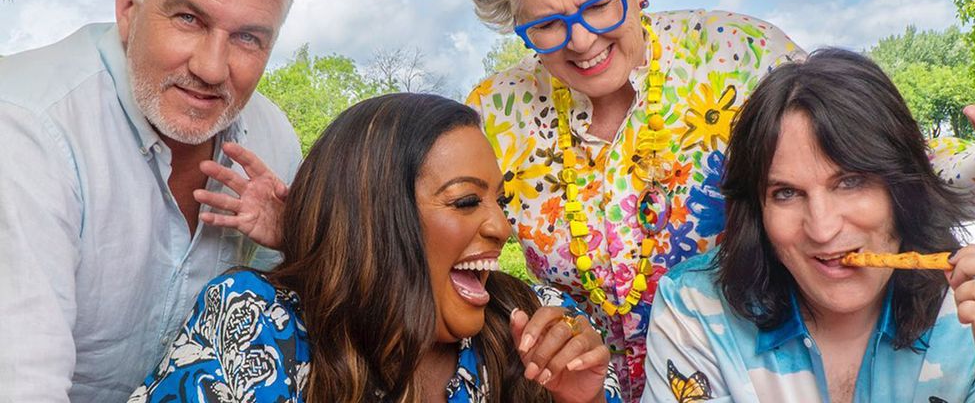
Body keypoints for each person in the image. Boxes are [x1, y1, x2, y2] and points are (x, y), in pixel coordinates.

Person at [459, 0, 975, 400]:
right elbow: (450, 241)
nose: (581, 40)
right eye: (547, 24)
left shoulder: (737, 52)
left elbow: (875, 161)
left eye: (600, 5)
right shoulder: (492, 115)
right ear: (515, 20)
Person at [0, 0, 301, 402]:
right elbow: (23, 383)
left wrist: (294, 241)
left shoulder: (272, 138)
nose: (211, 67)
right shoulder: (27, 126)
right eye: (188, 18)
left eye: (247, 38)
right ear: (128, 7)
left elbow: (299, 345)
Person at [129, 94, 622, 403]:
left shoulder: (543, 324)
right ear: (378, 214)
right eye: (467, 200)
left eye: (500, 201)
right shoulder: (257, 323)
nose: (501, 227)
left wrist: (585, 401)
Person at [643, 49, 975, 403]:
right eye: (786, 193)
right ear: (756, 210)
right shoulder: (694, 308)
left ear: (903, 187)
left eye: (851, 182)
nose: (823, 230)